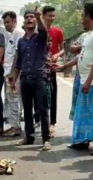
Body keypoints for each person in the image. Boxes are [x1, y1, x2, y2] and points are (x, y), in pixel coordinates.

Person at [11, 8, 52, 151]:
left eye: (32, 17)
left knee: (42, 108)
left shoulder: (41, 37)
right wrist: (13, 80)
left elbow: (43, 29)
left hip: (39, 77)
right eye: (27, 17)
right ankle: (29, 137)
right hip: (25, 79)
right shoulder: (21, 42)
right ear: (24, 21)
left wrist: (39, 17)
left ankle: (46, 139)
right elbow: (18, 63)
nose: (29, 19)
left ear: (35, 20)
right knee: (27, 110)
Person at [61, 3, 93, 153]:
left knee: (90, 113)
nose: (81, 19)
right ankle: (81, 140)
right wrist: (64, 66)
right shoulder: (88, 36)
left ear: (89, 16)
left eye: (83, 15)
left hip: (90, 81)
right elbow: (81, 56)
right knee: (82, 112)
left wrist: (88, 81)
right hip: (84, 79)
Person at [42, 6, 65, 137]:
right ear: (43, 16)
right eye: (49, 15)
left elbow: (63, 49)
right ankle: (39, 120)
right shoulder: (37, 31)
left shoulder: (58, 32)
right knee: (39, 96)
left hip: (51, 68)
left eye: (53, 16)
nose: (51, 18)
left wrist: (57, 55)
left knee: (53, 94)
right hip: (38, 69)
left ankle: (52, 123)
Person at [2, 11, 25, 137]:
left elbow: (17, 54)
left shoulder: (18, 33)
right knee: (12, 99)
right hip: (9, 73)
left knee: (14, 99)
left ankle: (15, 127)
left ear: (15, 21)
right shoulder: (11, 35)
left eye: (8, 22)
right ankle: (14, 125)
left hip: (13, 74)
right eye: (4, 22)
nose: (6, 25)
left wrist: (12, 73)